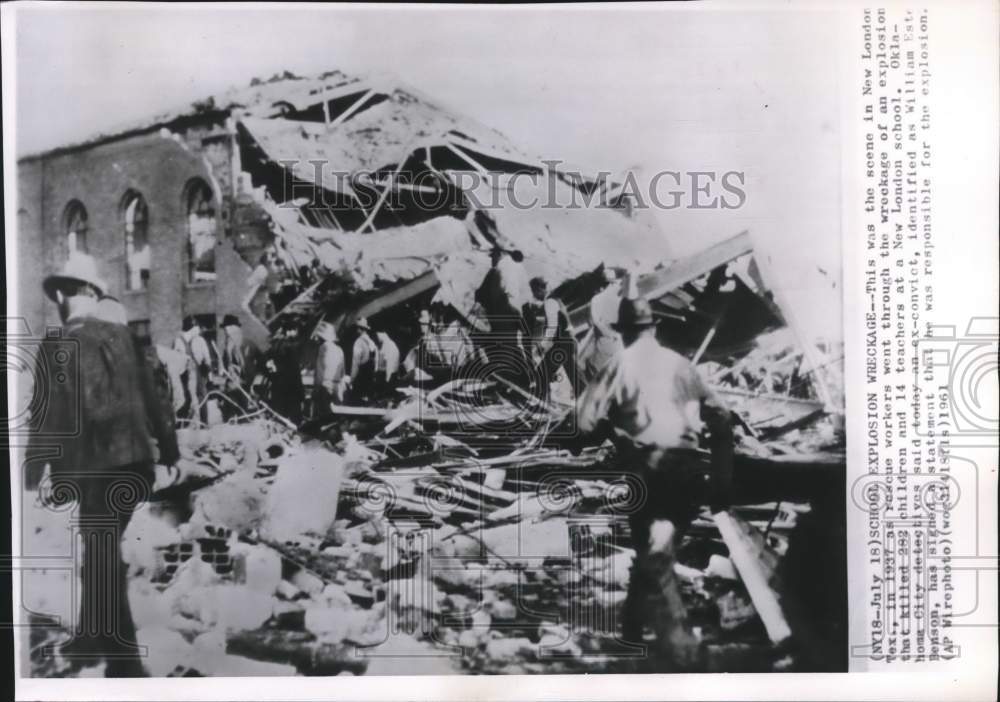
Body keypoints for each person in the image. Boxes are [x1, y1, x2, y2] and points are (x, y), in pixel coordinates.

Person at [25, 252, 179, 677]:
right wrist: (171, 453)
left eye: (64, 293)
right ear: (95, 293)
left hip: (94, 470)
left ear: (64, 296)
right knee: (100, 549)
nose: (63, 299)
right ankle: (92, 637)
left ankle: (125, 664)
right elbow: (157, 398)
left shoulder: (55, 344)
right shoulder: (128, 337)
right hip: (134, 466)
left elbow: (46, 416)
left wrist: (33, 474)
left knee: (101, 553)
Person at [575, 291, 734, 672]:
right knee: (654, 552)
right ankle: (631, 636)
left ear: (624, 332)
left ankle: (680, 650)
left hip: (648, 469)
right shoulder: (681, 364)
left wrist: (607, 433)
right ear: (653, 329)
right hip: (688, 469)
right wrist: (723, 482)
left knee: (653, 555)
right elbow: (723, 417)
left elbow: (582, 425)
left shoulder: (619, 365)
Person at [522, 275, 582, 397]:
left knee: (542, 372)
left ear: (539, 289)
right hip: (569, 342)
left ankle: (541, 405)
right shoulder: (556, 300)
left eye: (534, 291)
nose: (534, 295)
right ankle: (585, 401)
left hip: (563, 344)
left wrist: (543, 346)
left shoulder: (549, 302)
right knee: (575, 378)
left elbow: (552, 327)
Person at [173, 316, 212, 423]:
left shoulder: (200, 340)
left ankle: (204, 422)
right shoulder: (179, 341)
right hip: (185, 372)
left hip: (199, 371)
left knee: (202, 395)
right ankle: (183, 421)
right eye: (196, 328)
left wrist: (208, 371)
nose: (197, 330)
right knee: (186, 397)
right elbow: (177, 358)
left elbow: (207, 357)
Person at [217, 314, 258, 416]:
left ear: (232, 328)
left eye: (226, 327)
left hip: (239, 382)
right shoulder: (231, 342)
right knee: (237, 407)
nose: (225, 330)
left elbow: (243, 363)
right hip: (236, 381)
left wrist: (241, 377)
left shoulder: (238, 342)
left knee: (238, 408)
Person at [312, 319, 346, 417]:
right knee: (335, 417)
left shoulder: (322, 348)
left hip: (325, 387)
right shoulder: (339, 350)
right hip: (337, 386)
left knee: (323, 416)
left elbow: (320, 372)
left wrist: (316, 389)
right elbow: (343, 372)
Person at [348, 317, 380, 403]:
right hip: (369, 380)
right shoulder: (372, 343)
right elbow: (376, 363)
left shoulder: (358, 342)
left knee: (355, 404)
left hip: (360, 379)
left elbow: (355, 363)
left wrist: (351, 380)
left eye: (357, 328)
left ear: (360, 329)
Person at [374, 329, 401, 393]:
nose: (376, 338)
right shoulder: (384, 344)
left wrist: (387, 380)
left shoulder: (390, 345)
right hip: (384, 375)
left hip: (389, 376)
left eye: (377, 335)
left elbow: (390, 365)